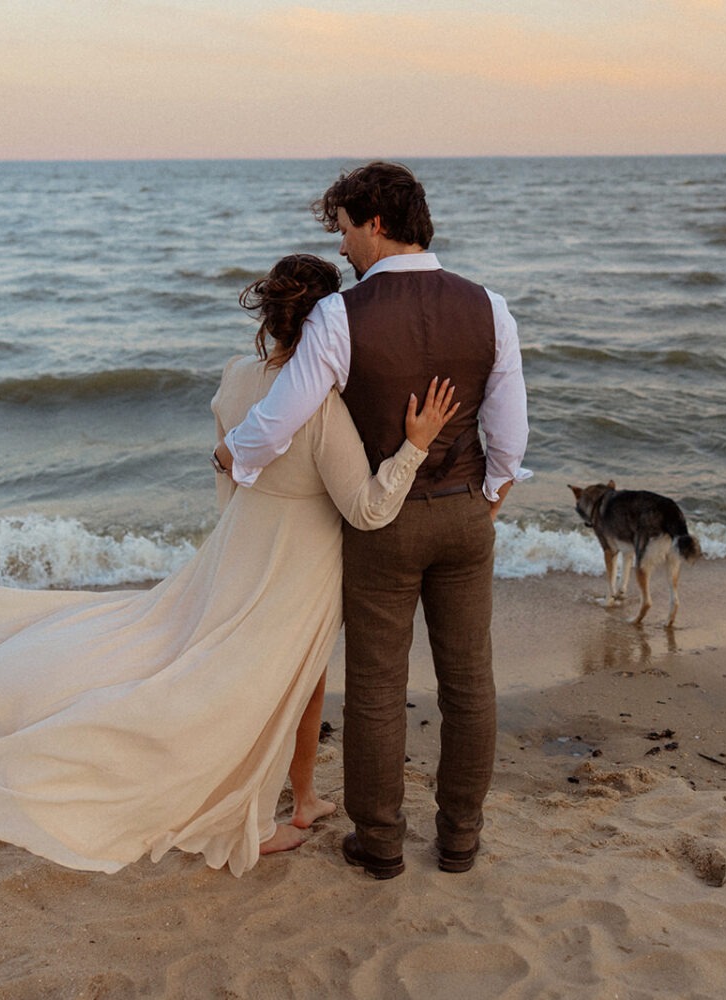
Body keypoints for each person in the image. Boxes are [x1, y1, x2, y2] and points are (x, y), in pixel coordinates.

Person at [0, 253, 458, 876]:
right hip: (298, 559)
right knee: (255, 684)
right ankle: (252, 818)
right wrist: (414, 448)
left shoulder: (237, 376)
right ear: (329, 325)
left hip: (240, 539)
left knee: (295, 674)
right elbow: (366, 510)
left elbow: (226, 468)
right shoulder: (322, 407)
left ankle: (305, 796)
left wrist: (228, 539)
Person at [218, 162, 529, 878]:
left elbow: (280, 418)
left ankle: (381, 843)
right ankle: (459, 840)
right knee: (469, 684)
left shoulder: (339, 315)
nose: (344, 249)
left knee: (379, 687)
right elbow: (508, 436)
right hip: (462, 516)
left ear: (377, 223)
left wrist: (232, 456)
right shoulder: (491, 307)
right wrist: (491, 494)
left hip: (382, 528)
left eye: (347, 230)